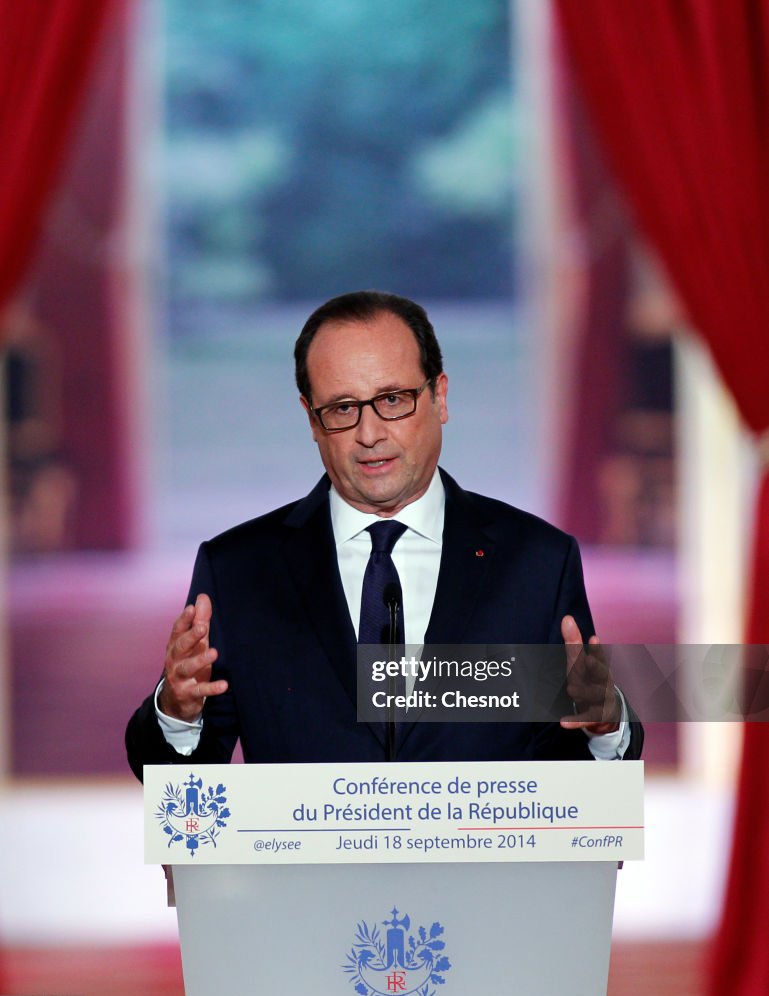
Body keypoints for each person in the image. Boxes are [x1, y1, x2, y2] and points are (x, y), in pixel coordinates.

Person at [126, 291, 642, 779]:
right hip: (304, 873)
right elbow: (180, 787)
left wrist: (603, 725)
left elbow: (579, 782)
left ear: (439, 397)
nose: (370, 434)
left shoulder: (537, 563)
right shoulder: (239, 570)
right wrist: (176, 713)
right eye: (342, 409)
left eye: (393, 399)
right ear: (311, 419)